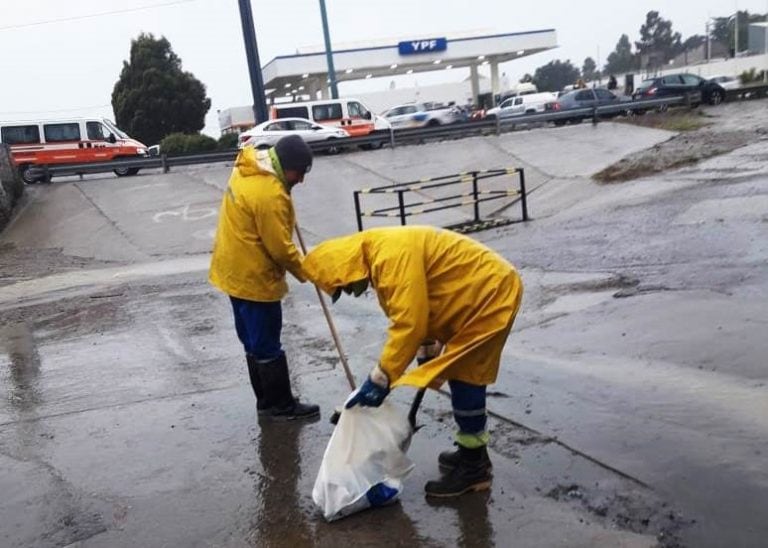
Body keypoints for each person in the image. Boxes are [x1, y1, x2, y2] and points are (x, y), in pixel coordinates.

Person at [302, 226, 523, 497]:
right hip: (474, 295)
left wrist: (380, 379)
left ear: (345, 268)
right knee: (461, 375)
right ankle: (472, 454)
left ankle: (474, 468)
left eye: (343, 286)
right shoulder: (379, 258)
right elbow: (423, 307)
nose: (349, 292)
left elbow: (409, 324)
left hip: (489, 294)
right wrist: (427, 353)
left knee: (467, 378)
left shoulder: (389, 258)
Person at [209, 135, 319, 421]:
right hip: (254, 277)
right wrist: (308, 271)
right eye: (301, 173)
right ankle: (281, 407)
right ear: (288, 166)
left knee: (252, 341)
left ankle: (266, 401)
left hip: (233, 270)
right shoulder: (270, 193)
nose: (302, 181)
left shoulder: (249, 165)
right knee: (267, 342)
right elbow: (280, 249)